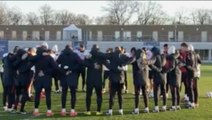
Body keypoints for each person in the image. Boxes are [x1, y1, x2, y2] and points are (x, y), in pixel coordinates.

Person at [29, 45, 58, 117]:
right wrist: (46, 72)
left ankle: (36, 110)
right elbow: (55, 67)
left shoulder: (36, 57)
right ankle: (49, 111)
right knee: (48, 95)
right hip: (47, 78)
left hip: (38, 77)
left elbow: (29, 60)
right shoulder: (49, 58)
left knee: (37, 95)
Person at [104, 46, 133, 116]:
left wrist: (109, 66)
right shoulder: (123, 56)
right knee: (120, 95)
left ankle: (110, 110)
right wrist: (123, 65)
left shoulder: (112, 55)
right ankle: (121, 110)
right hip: (121, 79)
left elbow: (104, 56)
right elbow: (131, 59)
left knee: (112, 95)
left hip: (113, 78)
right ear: (121, 50)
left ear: (115, 50)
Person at [57, 45, 82, 117]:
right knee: (73, 94)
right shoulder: (74, 55)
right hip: (72, 76)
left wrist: (63, 71)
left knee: (64, 94)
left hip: (64, 76)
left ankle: (63, 110)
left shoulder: (62, 55)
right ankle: (72, 110)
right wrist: (71, 69)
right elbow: (80, 64)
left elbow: (56, 64)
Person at [83, 45, 105, 116]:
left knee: (88, 95)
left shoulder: (89, 56)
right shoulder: (101, 57)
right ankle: (98, 111)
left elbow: (84, 63)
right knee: (99, 96)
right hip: (98, 79)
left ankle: (88, 111)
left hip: (90, 79)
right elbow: (107, 64)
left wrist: (87, 60)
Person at [13, 49, 33, 114]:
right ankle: (21, 109)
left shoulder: (19, 59)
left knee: (18, 94)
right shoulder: (27, 59)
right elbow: (29, 66)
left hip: (18, 79)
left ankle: (15, 108)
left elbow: (14, 65)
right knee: (24, 94)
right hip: (25, 79)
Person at [149, 47, 167, 112]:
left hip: (157, 76)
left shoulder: (155, 57)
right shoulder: (163, 57)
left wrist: (156, 69)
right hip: (164, 76)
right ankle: (164, 106)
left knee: (156, 92)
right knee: (164, 91)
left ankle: (156, 107)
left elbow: (151, 63)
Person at [131, 48, 149, 114]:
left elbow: (130, 61)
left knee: (137, 94)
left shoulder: (135, 62)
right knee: (145, 94)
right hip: (144, 80)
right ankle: (146, 108)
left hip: (137, 80)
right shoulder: (145, 61)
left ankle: (136, 109)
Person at [165, 46, 181, 111]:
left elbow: (172, 66)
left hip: (173, 75)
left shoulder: (171, 57)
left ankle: (173, 106)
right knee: (177, 91)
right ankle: (178, 105)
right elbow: (180, 64)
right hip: (178, 74)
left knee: (173, 91)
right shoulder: (177, 57)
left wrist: (166, 71)